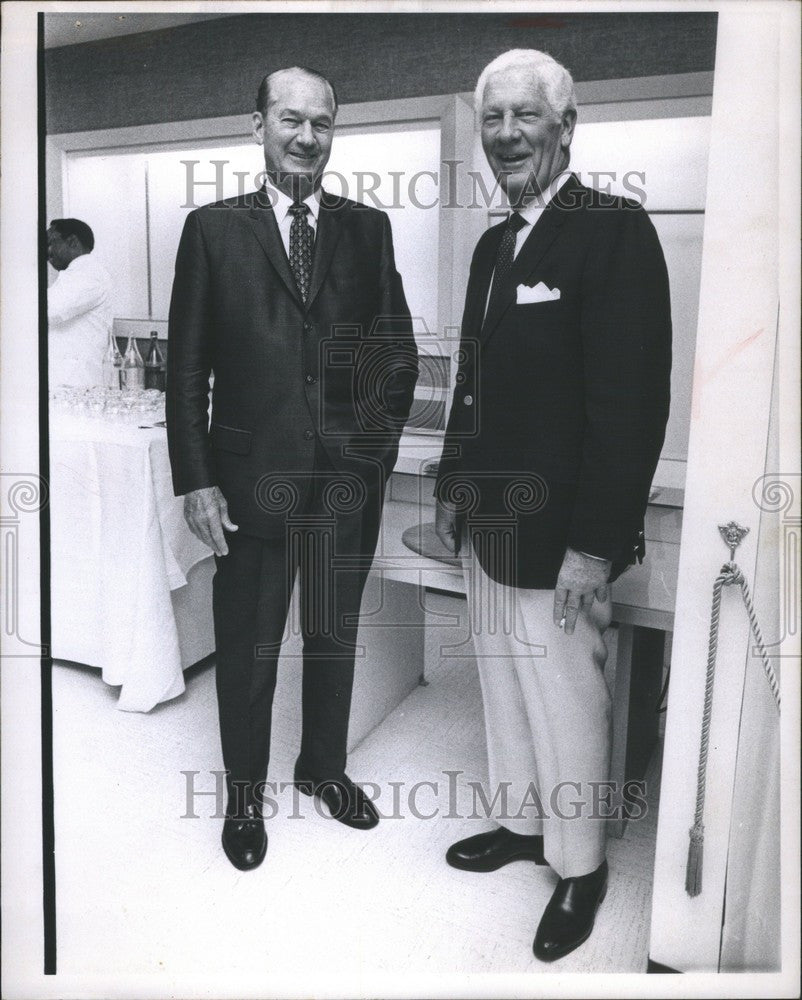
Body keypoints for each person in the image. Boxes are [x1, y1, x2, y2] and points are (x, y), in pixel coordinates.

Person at [435, 49, 672, 962]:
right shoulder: (496, 246)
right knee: (502, 686)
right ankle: (523, 825)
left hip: (563, 533)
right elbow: (473, 379)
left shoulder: (613, 229)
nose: (505, 136)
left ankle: (579, 868)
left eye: (524, 117)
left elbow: (631, 405)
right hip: (488, 525)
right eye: (493, 119)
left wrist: (594, 547)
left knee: (569, 700)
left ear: (566, 126)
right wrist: (456, 485)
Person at [167, 66, 417, 871]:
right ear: (258, 125)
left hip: (347, 485)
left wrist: (373, 456)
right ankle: (245, 797)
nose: (306, 136)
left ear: (333, 131)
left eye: (320, 122)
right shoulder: (212, 230)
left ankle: (323, 767)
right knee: (248, 646)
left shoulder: (368, 229)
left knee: (333, 636)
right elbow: (186, 370)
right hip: (247, 483)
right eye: (289, 119)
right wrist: (196, 478)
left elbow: (396, 357)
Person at [46, 218, 112, 388]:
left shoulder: (88, 273)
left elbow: (48, 311)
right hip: (67, 383)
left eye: (50, 243)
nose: (47, 252)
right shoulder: (76, 274)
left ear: (73, 242)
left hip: (78, 386)